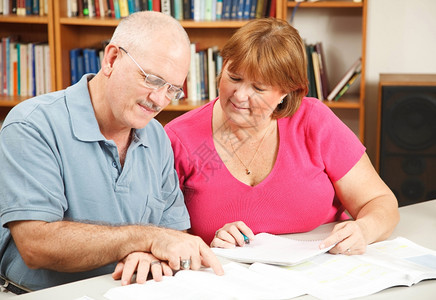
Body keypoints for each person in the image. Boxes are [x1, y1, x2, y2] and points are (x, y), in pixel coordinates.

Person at [0, 11, 223, 294]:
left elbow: (173, 235)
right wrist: (144, 239)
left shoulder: (157, 137)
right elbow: (36, 245)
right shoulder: (32, 124)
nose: (159, 100)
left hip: (131, 291)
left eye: (173, 89)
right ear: (112, 59)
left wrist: (150, 252)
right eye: (152, 80)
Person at [165, 18, 399, 255]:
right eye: (234, 77)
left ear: (287, 92)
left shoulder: (313, 121)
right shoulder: (178, 138)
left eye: (258, 88)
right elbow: (162, 234)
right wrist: (205, 244)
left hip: (322, 270)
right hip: (228, 278)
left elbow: (380, 201)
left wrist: (364, 230)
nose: (240, 95)